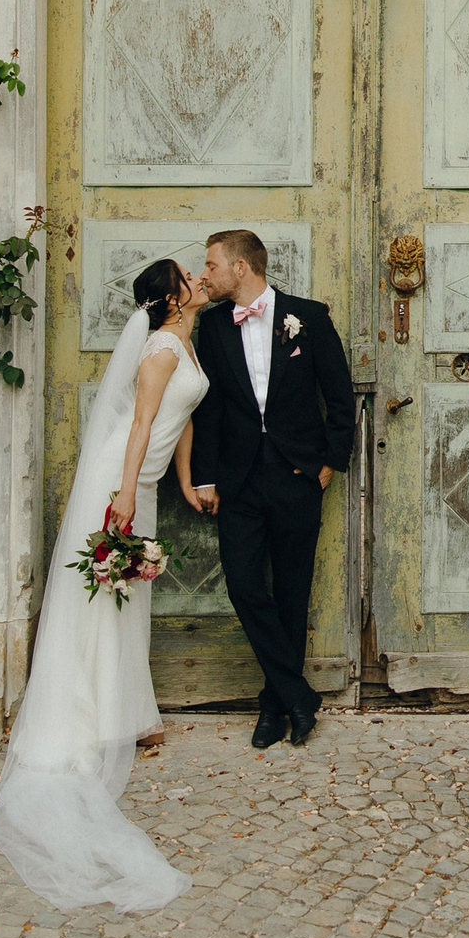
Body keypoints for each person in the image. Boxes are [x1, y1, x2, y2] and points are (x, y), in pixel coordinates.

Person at [0, 258, 204, 912]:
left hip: (144, 479)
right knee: (102, 597)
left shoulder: (182, 343)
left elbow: (183, 419)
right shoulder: (163, 347)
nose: (199, 278)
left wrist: (187, 483)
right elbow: (141, 424)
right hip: (122, 476)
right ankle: (94, 715)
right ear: (170, 298)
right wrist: (124, 495)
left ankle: (128, 712)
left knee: (124, 598)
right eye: (188, 275)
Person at [180, 228, 355, 750]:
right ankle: (298, 694)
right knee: (244, 586)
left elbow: (340, 398)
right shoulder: (211, 328)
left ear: (242, 267)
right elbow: (206, 408)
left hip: (298, 475)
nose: (204, 274)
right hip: (238, 481)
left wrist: (328, 464)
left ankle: (274, 705)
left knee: (293, 592)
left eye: (211, 264)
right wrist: (207, 476)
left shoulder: (310, 318)